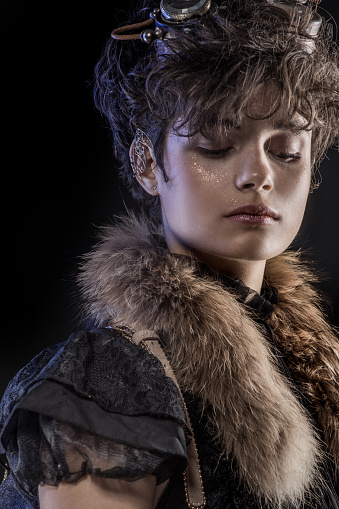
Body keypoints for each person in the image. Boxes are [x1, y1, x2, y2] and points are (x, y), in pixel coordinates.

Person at [1, 0, 339, 507]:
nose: (260, 175)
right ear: (147, 163)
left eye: (286, 150)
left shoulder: (313, 367)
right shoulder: (109, 384)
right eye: (216, 143)